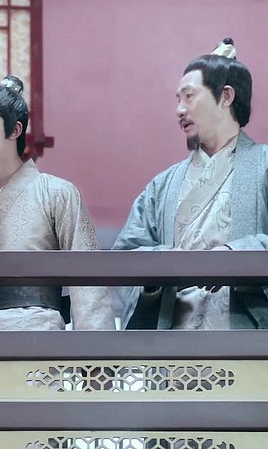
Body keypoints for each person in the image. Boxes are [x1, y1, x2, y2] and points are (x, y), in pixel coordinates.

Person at [0, 76, 114, 331]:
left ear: (15, 130)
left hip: (40, 336)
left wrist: (95, 353)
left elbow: (88, 283)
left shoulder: (58, 193)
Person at [113, 38, 268, 329]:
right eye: (178, 100)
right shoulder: (163, 185)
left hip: (250, 338)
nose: (179, 110)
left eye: (189, 97)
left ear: (226, 96)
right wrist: (162, 267)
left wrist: (237, 254)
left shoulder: (264, 166)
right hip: (176, 337)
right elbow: (127, 253)